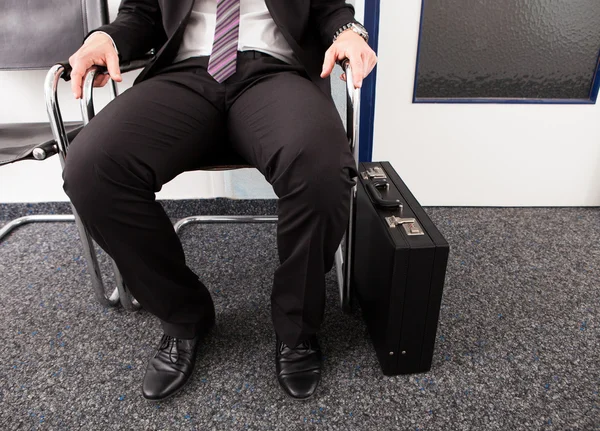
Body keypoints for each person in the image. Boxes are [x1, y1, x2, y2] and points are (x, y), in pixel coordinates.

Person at [64, 0, 377, 401]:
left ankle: (297, 327)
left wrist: (349, 33)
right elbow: (141, 12)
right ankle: (184, 317)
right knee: (91, 169)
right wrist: (103, 38)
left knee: (322, 170)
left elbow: (329, 9)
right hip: (185, 74)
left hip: (276, 73)